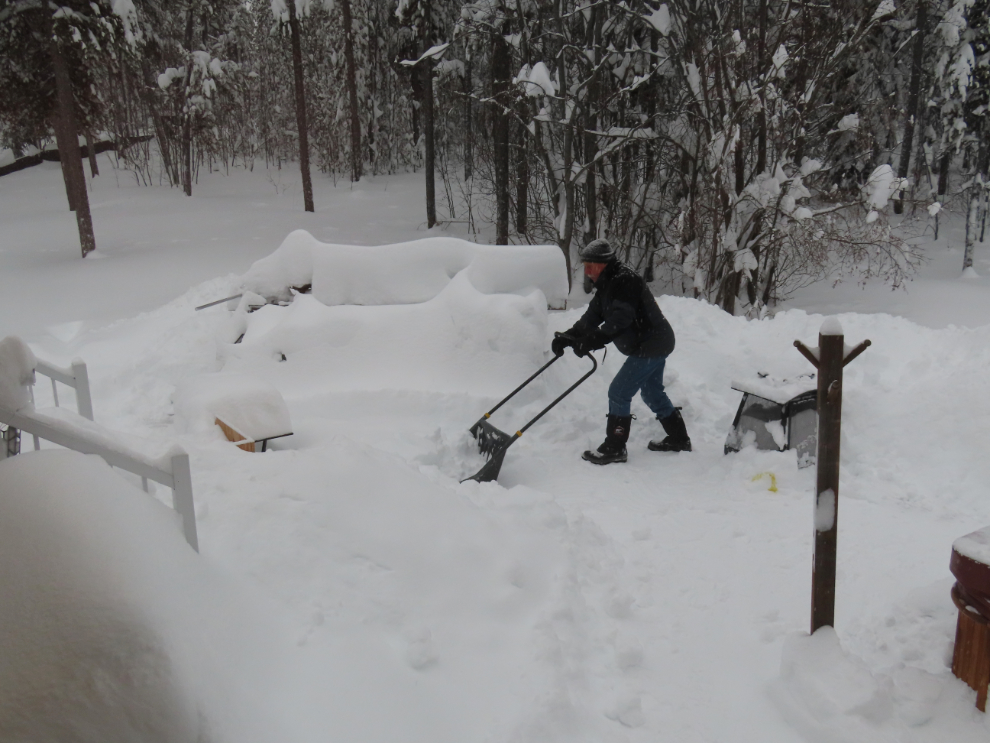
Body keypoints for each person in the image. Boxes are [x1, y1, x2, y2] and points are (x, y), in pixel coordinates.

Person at [551, 238, 691, 464]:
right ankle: (679, 438)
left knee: (619, 392)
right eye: (585, 266)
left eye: (590, 266)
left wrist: (591, 341)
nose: (587, 272)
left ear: (603, 264)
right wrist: (569, 337)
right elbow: (591, 318)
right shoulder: (606, 285)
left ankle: (615, 447)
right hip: (651, 343)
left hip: (651, 344)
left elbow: (620, 320)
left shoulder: (625, 281)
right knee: (651, 393)